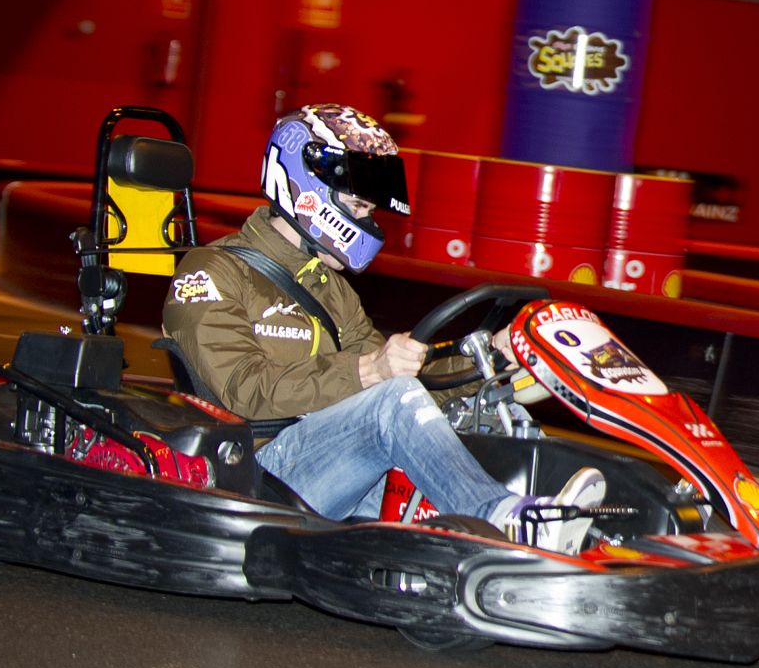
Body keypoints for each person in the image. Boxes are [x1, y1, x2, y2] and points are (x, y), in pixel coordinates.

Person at [162, 104, 604, 554]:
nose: (367, 219)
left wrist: (488, 358)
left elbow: (404, 386)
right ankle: (504, 521)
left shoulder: (329, 287)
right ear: (307, 188)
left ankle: (580, 525)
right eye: (357, 205)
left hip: (333, 460)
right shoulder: (212, 271)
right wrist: (369, 371)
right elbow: (243, 389)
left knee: (482, 413)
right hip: (258, 469)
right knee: (388, 399)